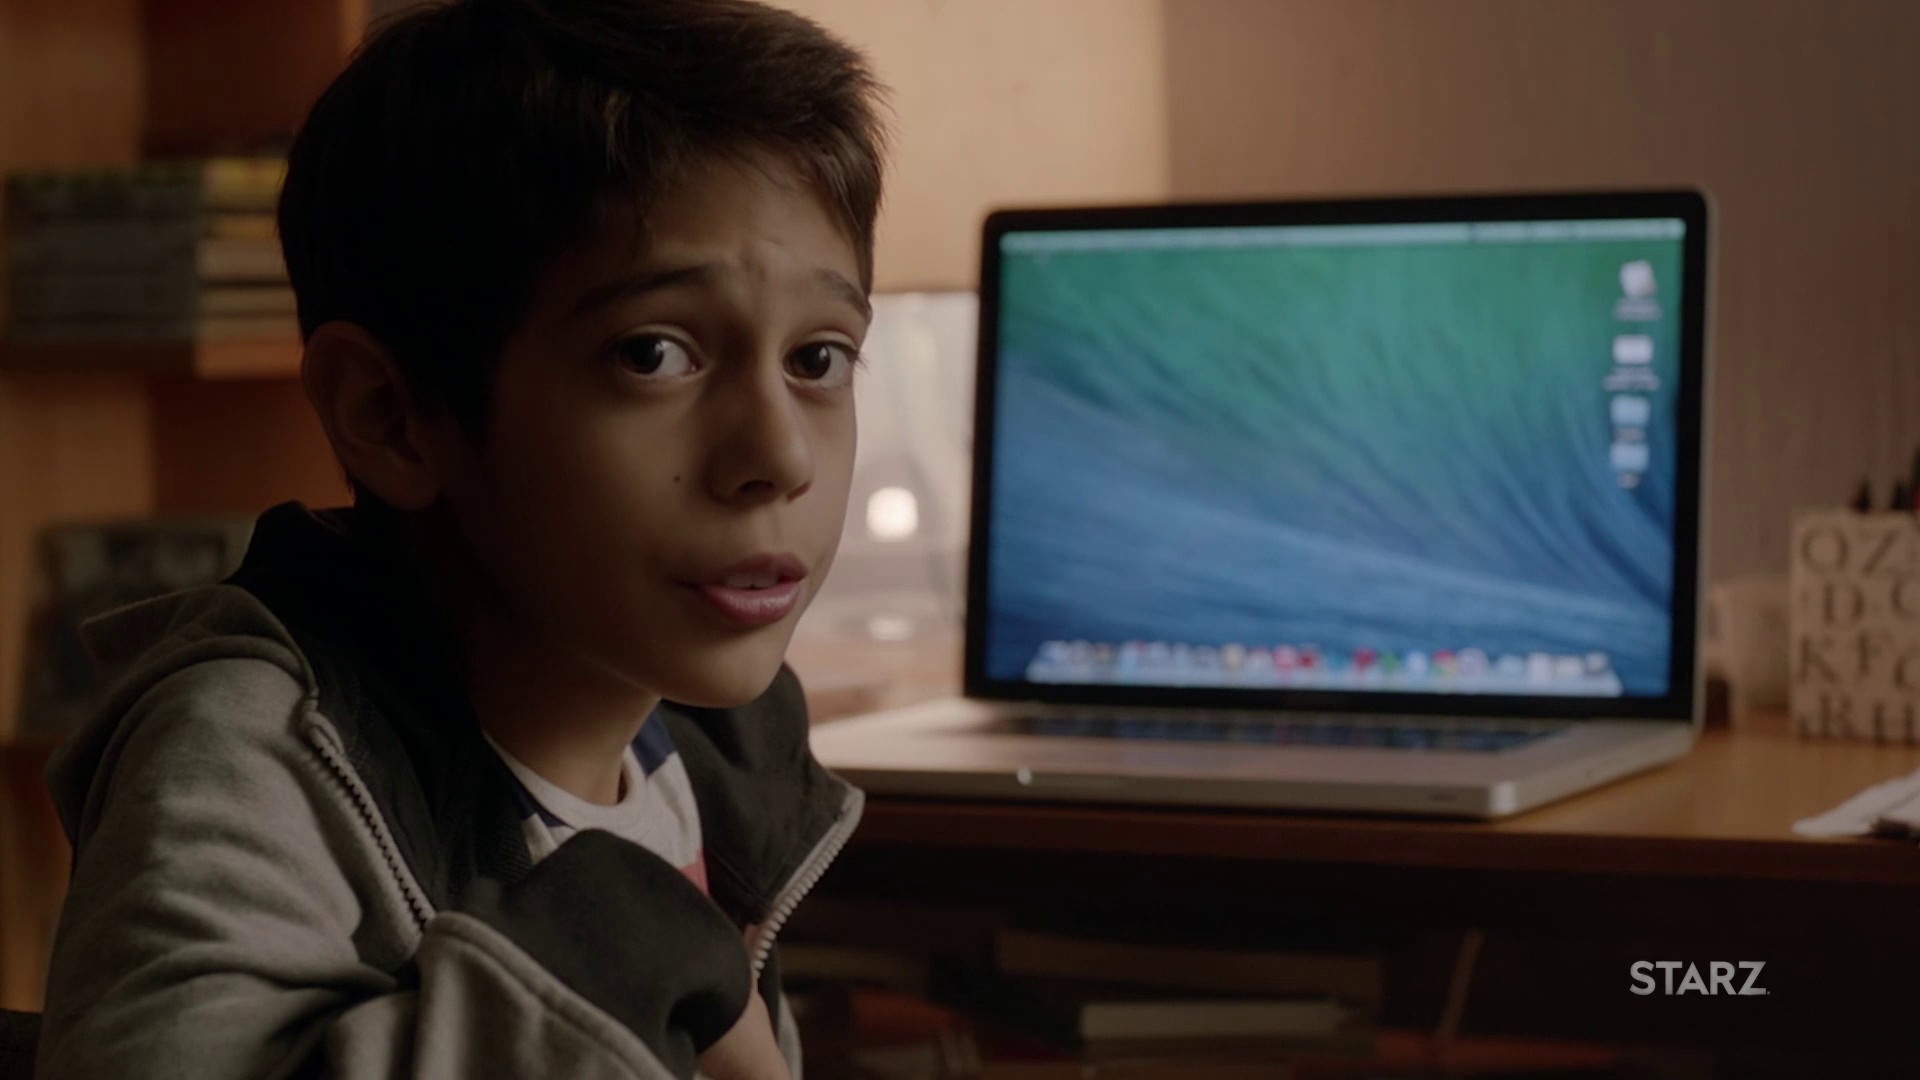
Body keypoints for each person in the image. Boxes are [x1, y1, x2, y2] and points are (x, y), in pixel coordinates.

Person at [36, 1, 886, 1076]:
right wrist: (635, 945)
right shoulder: (250, 748)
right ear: (391, 416)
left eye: (818, 359)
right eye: (652, 354)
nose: (779, 456)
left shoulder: (727, 746)